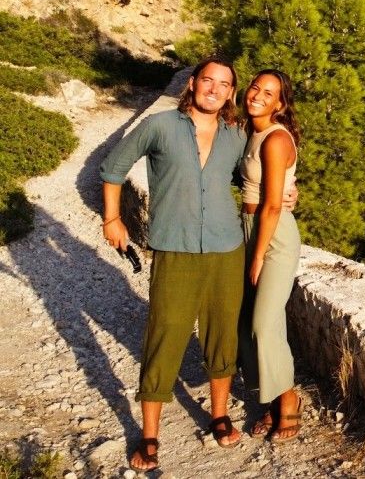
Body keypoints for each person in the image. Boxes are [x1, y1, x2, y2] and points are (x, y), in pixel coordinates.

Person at [100, 59, 249, 470]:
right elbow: (113, 169)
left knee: (222, 335)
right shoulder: (160, 125)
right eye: (208, 81)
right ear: (192, 84)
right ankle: (150, 436)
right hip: (175, 249)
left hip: (226, 248)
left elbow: (248, 179)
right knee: (164, 335)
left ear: (231, 93)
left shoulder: (236, 135)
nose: (214, 89)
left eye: (224, 85)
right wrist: (112, 219)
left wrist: (284, 195)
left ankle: (220, 415)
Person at [236, 69, 303, 442]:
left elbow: (274, 205)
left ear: (280, 103)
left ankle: (289, 399)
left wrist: (258, 255)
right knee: (252, 323)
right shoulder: (251, 132)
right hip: (248, 229)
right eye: (255, 87)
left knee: (264, 323)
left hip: (273, 237)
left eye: (269, 93)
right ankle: (270, 400)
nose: (258, 95)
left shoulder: (275, 139)